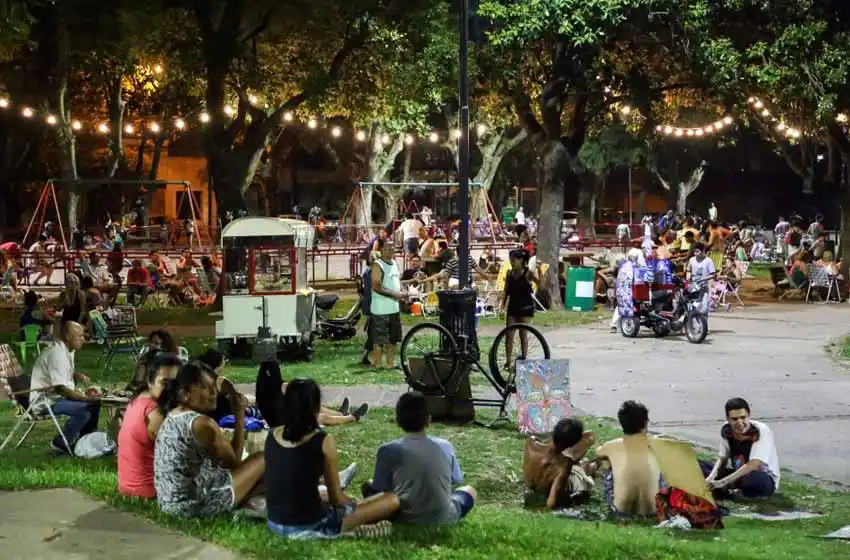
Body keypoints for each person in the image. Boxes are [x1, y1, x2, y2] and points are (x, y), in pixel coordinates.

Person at [265, 379, 399, 538]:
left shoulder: (272, 435)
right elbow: (337, 499)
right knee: (390, 500)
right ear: (316, 406)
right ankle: (349, 532)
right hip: (311, 525)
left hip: (274, 523)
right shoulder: (323, 440)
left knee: (322, 496)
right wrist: (355, 504)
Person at [154, 363, 265, 517]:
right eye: (205, 387)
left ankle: (253, 500)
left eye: (213, 387)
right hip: (191, 506)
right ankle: (251, 505)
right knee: (263, 459)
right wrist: (239, 415)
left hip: (169, 502)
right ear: (185, 394)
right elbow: (234, 463)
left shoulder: (173, 414)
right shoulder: (202, 424)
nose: (214, 393)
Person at [360, 392, 476, 524]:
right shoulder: (445, 446)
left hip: (401, 516)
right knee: (470, 490)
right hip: (444, 517)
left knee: (368, 486)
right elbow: (456, 480)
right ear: (428, 420)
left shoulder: (387, 450)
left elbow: (379, 488)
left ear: (397, 421)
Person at [117, 353, 183, 498]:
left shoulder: (138, 400)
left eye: (176, 383)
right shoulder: (156, 412)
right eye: (165, 383)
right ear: (149, 381)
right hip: (149, 489)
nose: (171, 388)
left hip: (128, 485)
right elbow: (178, 458)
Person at [29, 322, 101, 455]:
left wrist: (75, 375)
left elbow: (59, 375)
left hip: (57, 397)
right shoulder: (56, 354)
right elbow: (61, 389)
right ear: (67, 336)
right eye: (79, 336)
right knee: (84, 409)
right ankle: (60, 442)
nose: (83, 339)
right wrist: (85, 399)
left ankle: (86, 439)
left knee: (95, 404)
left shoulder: (67, 350)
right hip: (45, 401)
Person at [703, 398, 780, 499]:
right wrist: (710, 478)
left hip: (762, 477)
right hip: (738, 474)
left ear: (749, 416)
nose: (740, 423)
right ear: (728, 419)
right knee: (699, 465)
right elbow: (723, 459)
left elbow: (754, 464)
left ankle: (729, 492)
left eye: (743, 417)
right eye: (735, 419)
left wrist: (722, 482)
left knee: (756, 479)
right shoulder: (726, 430)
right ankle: (724, 489)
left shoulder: (760, 431)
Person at [595, 401, 661, 516]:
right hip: (653, 511)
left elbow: (598, 453)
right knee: (661, 466)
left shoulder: (612, 446)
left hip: (620, 511)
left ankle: (618, 499)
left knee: (606, 462)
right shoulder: (658, 444)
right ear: (645, 423)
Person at [254, 361, 367, 428]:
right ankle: (353, 417)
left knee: (314, 408)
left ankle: (340, 413)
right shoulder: (277, 389)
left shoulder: (263, 390)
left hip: (289, 418)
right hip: (287, 424)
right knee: (322, 417)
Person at [523, 418, 597, 509]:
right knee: (585, 466)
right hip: (559, 483)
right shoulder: (564, 465)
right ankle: (595, 465)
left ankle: (589, 463)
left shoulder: (531, 442)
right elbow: (552, 502)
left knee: (581, 462)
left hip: (534, 485)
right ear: (572, 445)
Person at [371, 239, 406, 370]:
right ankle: (378, 364)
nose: (391, 250)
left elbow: (397, 280)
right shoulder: (377, 265)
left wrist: (403, 291)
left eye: (393, 248)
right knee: (379, 339)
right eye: (388, 248)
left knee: (393, 338)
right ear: (381, 250)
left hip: (394, 308)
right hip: (381, 309)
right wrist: (394, 294)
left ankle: (390, 364)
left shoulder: (394, 263)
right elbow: (376, 287)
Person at [501, 248, 539, 366]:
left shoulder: (528, 273)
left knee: (523, 334)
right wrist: (502, 306)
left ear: (521, 260)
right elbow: (506, 291)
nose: (512, 263)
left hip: (525, 306)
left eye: (514, 260)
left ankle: (524, 358)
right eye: (510, 260)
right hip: (513, 306)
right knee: (509, 335)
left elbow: (541, 286)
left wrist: (541, 274)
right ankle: (508, 361)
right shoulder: (509, 273)